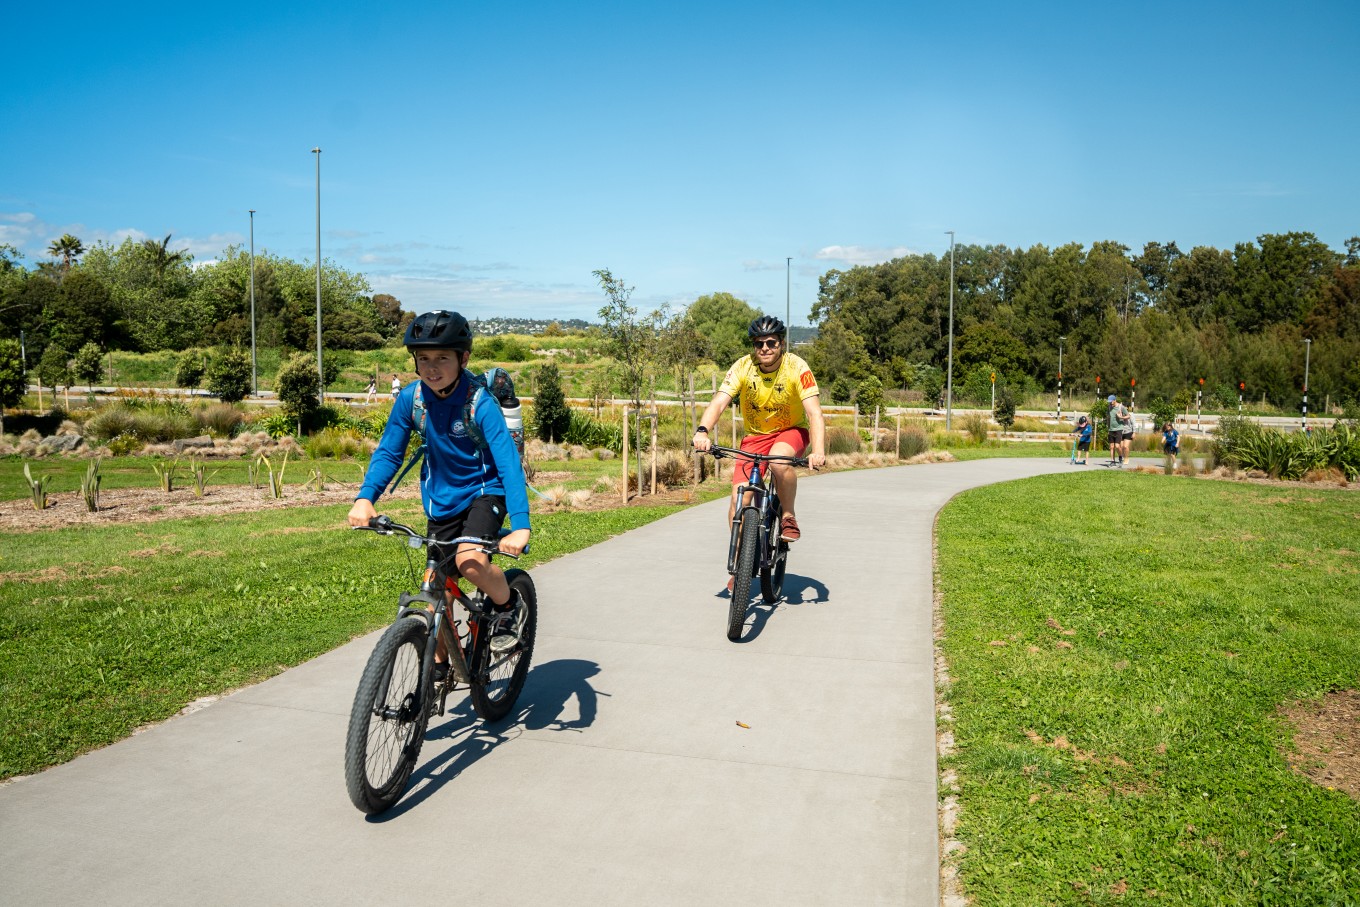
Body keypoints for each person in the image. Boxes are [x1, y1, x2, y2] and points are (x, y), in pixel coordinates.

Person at [349, 310, 530, 679]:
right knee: (437, 591)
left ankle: (509, 606)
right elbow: (389, 451)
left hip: (485, 492)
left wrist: (521, 525)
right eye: (424, 359)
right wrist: (366, 497)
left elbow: (509, 464)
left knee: (470, 563)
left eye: (443, 358)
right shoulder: (411, 400)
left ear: (463, 359)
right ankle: (439, 665)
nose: (432, 368)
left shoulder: (479, 403)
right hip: (441, 499)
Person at [693, 315, 826, 562]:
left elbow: (814, 412)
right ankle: (740, 562)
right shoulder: (743, 366)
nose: (765, 348)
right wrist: (702, 431)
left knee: (779, 463)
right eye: (759, 344)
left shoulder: (797, 367)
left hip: (791, 431)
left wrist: (817, 450)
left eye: (771, 343)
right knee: (737, 502)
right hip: (755, 437)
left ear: (781, 344)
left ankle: (787, 515)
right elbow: (720, 402)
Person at [1105, 395, 1126, 466]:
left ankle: (1120, 457)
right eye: (1109, 402)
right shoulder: (1109, 407)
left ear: (1114, 400)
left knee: (1117, 446)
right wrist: (1108, 427)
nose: (1110, 403)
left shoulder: (1121, 407)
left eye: (1111, 402)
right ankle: (1112, 461)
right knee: (1111, 446)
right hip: (1111, 429)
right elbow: (1108, 418)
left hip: (1119, 428)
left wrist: (1121, 417)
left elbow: (1128, 416)